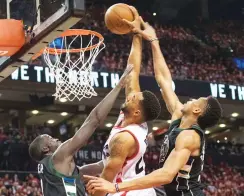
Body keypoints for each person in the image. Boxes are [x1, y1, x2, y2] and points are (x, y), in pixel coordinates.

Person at [84, 18, 222, 196]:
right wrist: (153, 40)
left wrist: (116, 187)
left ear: (197, 111)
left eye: (198, 100)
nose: (193, 98)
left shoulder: (190, 137)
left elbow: (166, 175)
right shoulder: (178, 117)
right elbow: (163, 79)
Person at [80, 6, 161, 196]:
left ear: (137, 112)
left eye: (135, 98)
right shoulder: (134, 122)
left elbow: (104, 183)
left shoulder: (123, 139)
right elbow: (132, 70)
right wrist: (136, 33)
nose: (131, 94)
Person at [28, 64, 133, 196]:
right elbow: (93, 120)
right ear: (45, 149)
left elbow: (86, 170)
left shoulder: (53, 169)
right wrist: (118, 86)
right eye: (50, 138)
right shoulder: (59, 156)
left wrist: (119, 156)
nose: (56, 139)